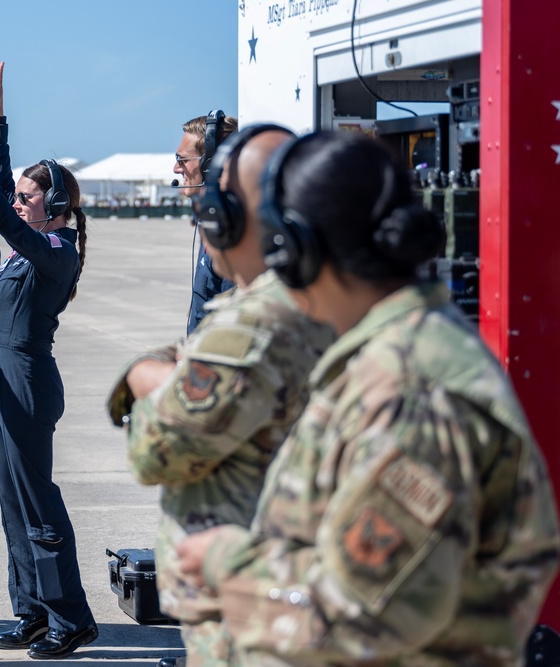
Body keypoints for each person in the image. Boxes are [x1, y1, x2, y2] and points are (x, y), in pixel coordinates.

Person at [176, 130, 560, 666]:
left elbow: (363, 616)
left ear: (294, 247)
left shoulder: (412, 393)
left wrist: (227, 563)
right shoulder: (382, 355)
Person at [107, 125, 335, 667]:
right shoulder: (328, 297)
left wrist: (143, 376)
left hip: (248, 596)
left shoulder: (262, 320)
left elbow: (154, 452)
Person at [0, 62, 96, 660]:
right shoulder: (28, 243)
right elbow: (6, 196)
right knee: (11, 504)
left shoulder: (56, 248)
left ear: (52, 204)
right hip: (1, 388)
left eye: (31, 197)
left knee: (37, 502)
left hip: (27, 388)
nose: (18, 201)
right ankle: (32, 609)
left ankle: (71, 617)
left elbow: (3, 212)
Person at [175, 111, 238, 334]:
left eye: (182, 160)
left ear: (210, 164)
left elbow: (232, 325)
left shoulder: (233, 237)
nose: (176, 169)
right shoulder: (212, 223)